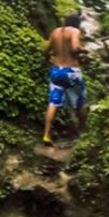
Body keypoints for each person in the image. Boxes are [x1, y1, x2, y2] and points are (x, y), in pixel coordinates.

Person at [42, 13, 88, 144]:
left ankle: (46, 135)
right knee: (81, 102)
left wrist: (52, 56)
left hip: (56, 71)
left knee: (53, 102)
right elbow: (75, 48)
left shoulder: (56, 31)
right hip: (71, 71)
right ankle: (82, 132)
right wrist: (83, 50)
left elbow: (46, 50)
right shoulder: (75, 31)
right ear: (77, 23)